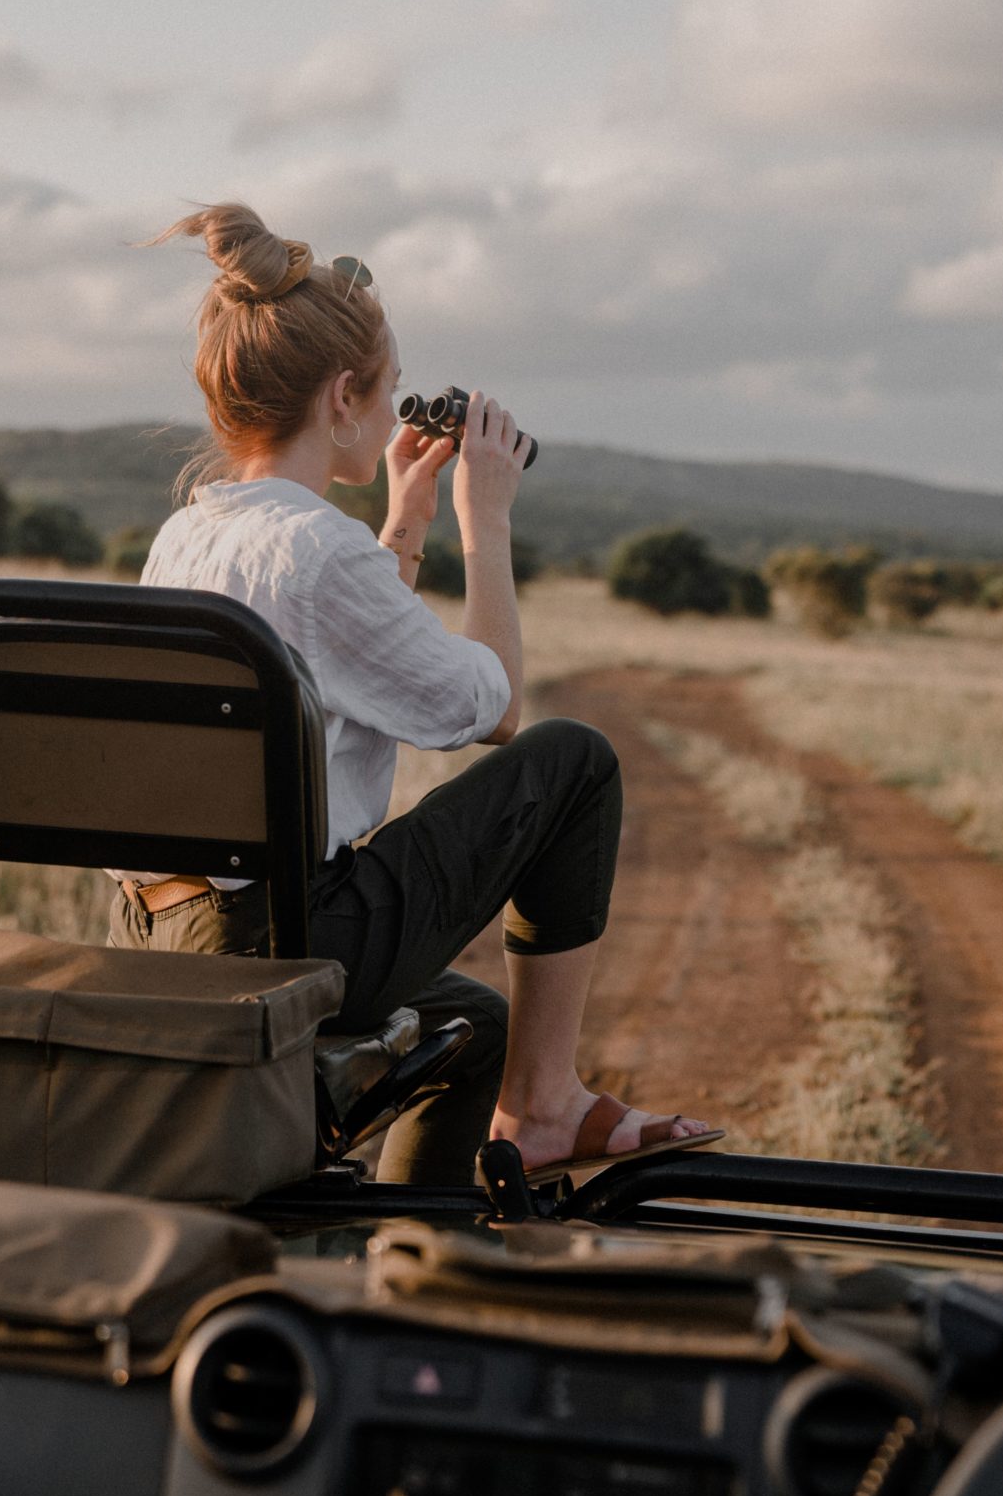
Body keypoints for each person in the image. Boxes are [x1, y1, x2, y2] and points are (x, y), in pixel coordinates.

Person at [110, 203, 720, 1183]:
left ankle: (404, 1238)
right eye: (390, 392)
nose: (398, 413)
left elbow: (359, 651)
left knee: (471, 1023)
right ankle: (551, 1101)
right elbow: (496, 708)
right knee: (571, 760)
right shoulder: (316, 549)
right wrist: (486, 521)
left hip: (163, 924)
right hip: (285, 935)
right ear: (344, 395)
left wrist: (403, 520)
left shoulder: (189, 534)